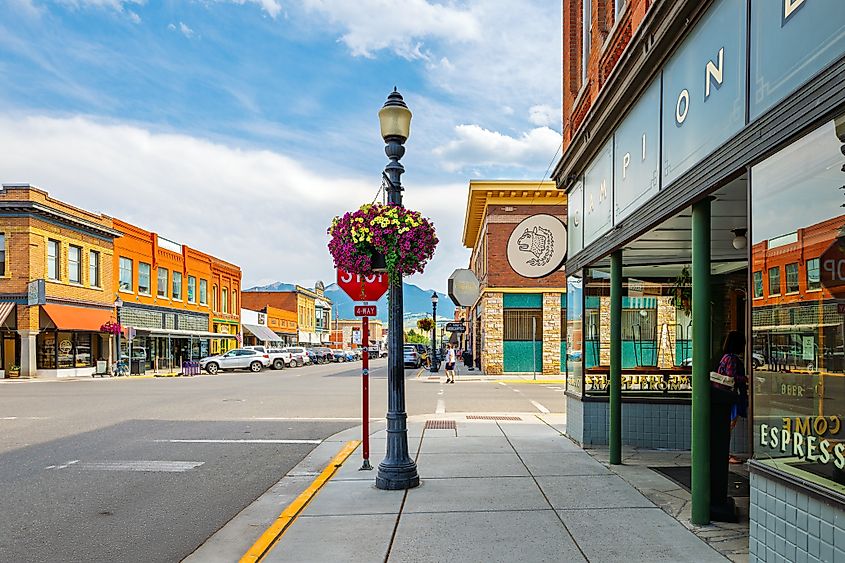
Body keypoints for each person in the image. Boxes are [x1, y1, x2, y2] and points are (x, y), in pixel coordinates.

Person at [716, 330, 749, 464]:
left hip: (725, 396)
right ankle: (724, 453)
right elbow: (731, 377)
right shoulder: (732, 359)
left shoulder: (725, 357)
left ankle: (724, 452)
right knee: (729, 425)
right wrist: (746, 379)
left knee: (727, 425)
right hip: (731, 396)